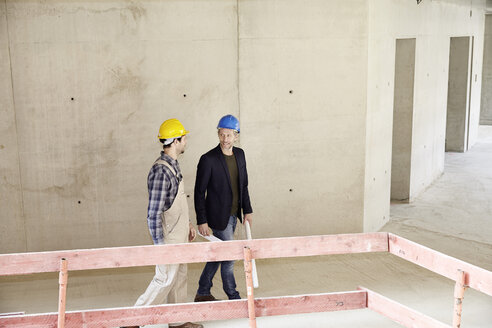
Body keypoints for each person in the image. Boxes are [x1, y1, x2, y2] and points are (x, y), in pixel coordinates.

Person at [123, 119, 203, 328]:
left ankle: (177, 322)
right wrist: (160, 246)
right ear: (176, 141)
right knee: (164, 279)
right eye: (183, 138)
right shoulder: (161, 171)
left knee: (179, 277)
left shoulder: (174, 166)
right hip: (167, 239)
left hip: (179, 235)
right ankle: (131, 321)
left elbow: (175, 204)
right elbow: (153, 213)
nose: (186, 141)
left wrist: (188, 225)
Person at [194, 114, 253, 302]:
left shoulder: (240, 155)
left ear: (236, 135)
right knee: (229, 256)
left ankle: (203, 291)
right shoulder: (208, 159)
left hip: (234, 214)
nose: (225, 139)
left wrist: (248, 210)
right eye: (221, 135)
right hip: (218, 217)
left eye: (229, 135)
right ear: (218, 134)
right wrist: (202, 220)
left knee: (218, 255)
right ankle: (233, 295)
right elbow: (198, 192)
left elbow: (243, 185)